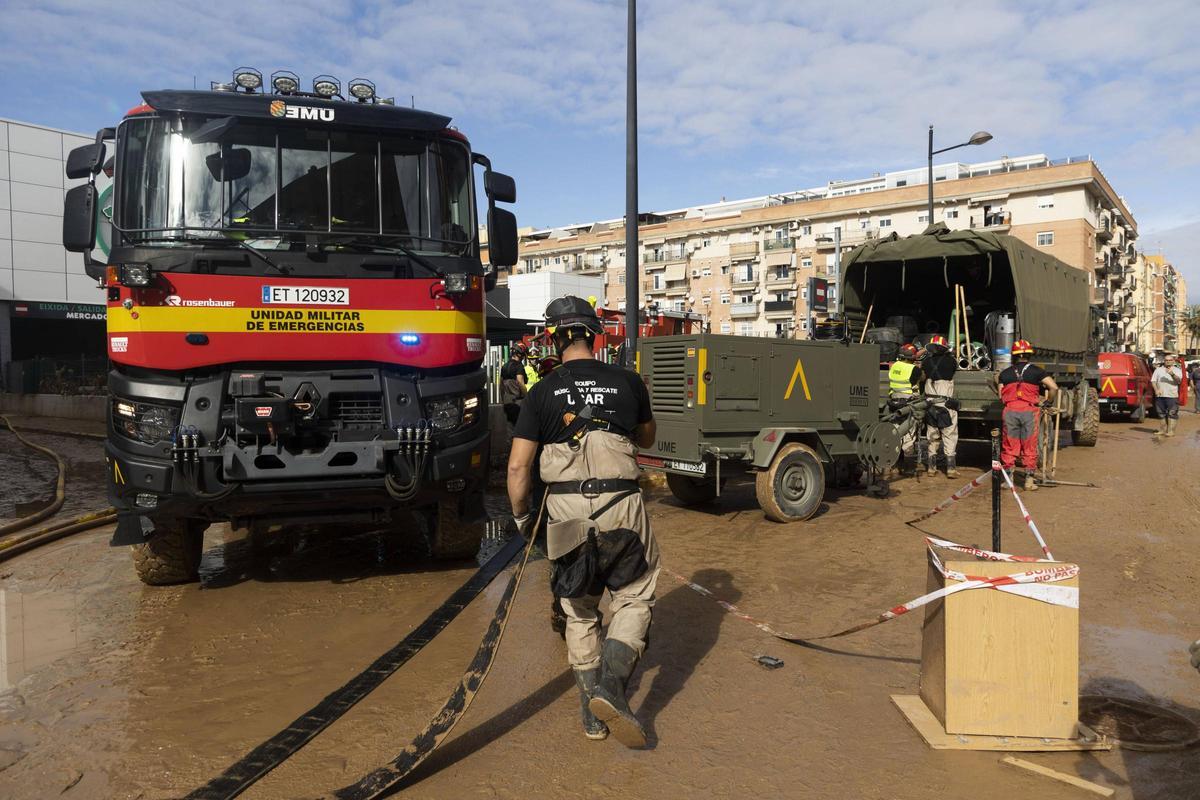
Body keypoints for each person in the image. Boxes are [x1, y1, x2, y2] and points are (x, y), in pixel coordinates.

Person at [507, 296, 659, 747]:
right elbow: (648, 436)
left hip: (565, 512)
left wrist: (521, 518)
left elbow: (518, 469)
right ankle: (614, 687)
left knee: (578, 608)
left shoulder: (540, 392)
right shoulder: (629, 381)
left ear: (554, 339)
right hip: (622, 506)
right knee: (633, 599)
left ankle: (591, 714)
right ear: (595, 335)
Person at [996, 339, 1058, 491]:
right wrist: (1048, 402)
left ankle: (1008, 481)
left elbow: (1000, 395)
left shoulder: (1004, 373)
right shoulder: (1037, 371)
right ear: (1029, 355)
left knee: (1009, 445)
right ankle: (1029, 481)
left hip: (1010, 411)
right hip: (1029, 412)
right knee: (1029, 445)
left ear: (1014, 356)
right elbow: (1053, 387)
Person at [921, 335, 959, 478]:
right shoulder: (951, 362)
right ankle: (950, 469)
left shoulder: (926, 362)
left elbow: (923, 377)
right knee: (950, 434)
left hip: (931, 405)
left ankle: (931, 468)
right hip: (946, 404)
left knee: (932, 435)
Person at [888, 343, 923, 475]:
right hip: (908, 406)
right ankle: (908, 468)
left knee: (895, 433)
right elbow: (920, 379)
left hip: (894, 403)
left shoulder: (894, 366)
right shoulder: (914, 370)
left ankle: (893, 465)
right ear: (912, 357)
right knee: (909, 435)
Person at [499, 342, 529, 428]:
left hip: (507, 402)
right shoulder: (519, 366)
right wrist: (527, 397)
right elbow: (520, 382)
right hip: (517, 401)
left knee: (510, 427)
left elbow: (501, 384)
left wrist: (502, 399)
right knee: (521, 427)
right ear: (520, 354)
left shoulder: (504, 366)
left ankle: (511, 442)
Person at [1151, 354, 1183, 436]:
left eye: (1170, 360)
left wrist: (1172, 374)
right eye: (1166, 360)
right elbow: (1153, 381)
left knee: (1172, 413)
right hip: (1160, 395)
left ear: (1173, 361)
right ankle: (1162, 430)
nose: (1168, 361)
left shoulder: (1177, 370)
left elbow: (1179, 381)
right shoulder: (1158, 370)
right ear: (1164, 361)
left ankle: (1171, 431)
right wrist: (1156, 390)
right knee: (1161, 413)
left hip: (1172, 395)